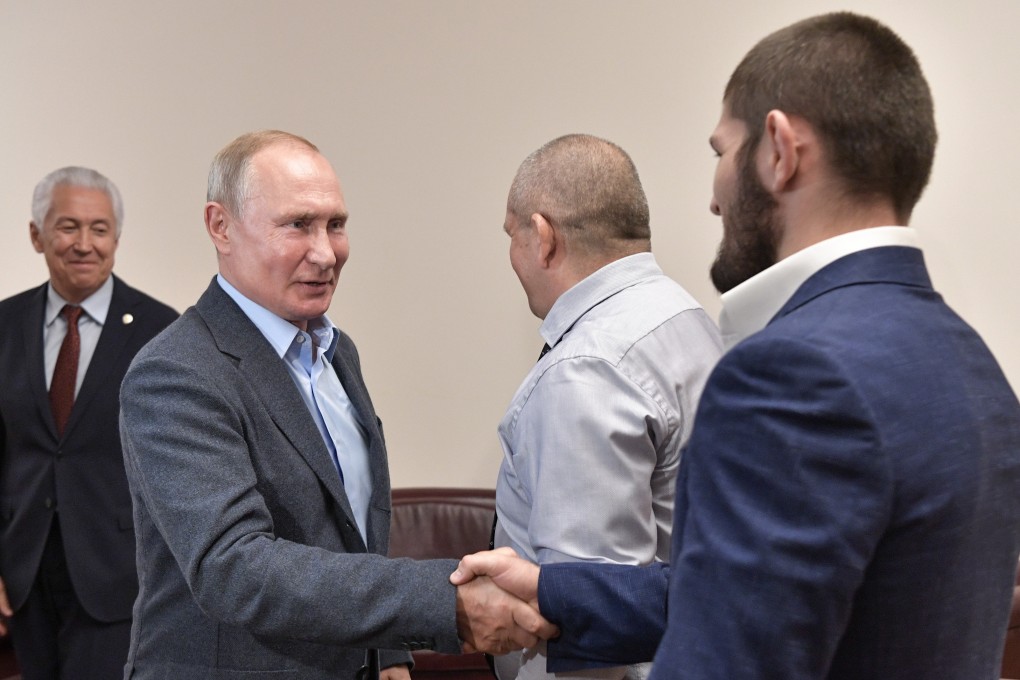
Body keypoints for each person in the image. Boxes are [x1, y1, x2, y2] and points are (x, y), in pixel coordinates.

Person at [452, 12, 1020, 680]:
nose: (715, 198)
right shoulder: (970, 361)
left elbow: (729, 655)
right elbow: (763, 596)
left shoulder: (791, 371)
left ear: (779, 150)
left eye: (721, 152)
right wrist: (556, 591)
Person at [118, 130, 555, 680]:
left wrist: (386, 653)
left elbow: (351, 528)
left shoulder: (335, 351)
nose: (326, 253)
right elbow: (234, 568)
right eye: (297, 225)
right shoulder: (176, 372)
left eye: (336, 224)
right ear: (220, 226)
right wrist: (445, 604)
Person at [492, 134, 721, 680]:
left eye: (512, 234)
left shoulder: (587, 369)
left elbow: (590, 626)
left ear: (543, 237)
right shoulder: (684, 318)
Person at [0, 167, 179, 679]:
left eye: (99, 229)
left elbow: (175, 470)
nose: (84, 244)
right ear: (37, 235)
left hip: (120, 577)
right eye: (68, 226)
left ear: (116, 239)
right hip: (24, 576)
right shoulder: (5, 325)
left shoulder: (161, 332)